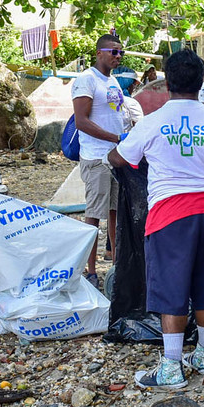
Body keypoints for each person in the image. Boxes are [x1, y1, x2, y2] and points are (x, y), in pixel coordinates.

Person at [108, 49, 204, 389]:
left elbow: (118, 158)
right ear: (201, 81)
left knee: (172, 289)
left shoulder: (151, 122)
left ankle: (170, 368)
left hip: (169, 217)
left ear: (167, 83)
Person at [71, 34, 126, 286]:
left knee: (115, 212)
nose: (117, 56)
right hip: (95, 157)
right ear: (98, 53)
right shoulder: (86, 79)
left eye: (120, 53)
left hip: (115, 157)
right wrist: (116, 137)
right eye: (113, 52)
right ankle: (90, 271)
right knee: (94, 215)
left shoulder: (112, 81)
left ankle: (117, 266)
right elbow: (82, 121)